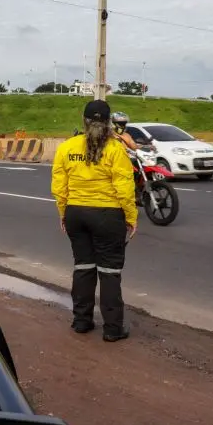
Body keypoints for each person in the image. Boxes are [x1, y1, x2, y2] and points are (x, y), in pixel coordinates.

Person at [51, 100, 138, 342]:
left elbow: (59, 186)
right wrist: (131, 217)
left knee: (83, 267)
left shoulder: (67, 148)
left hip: (76, 213)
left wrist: (63, 213)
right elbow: (124, 187)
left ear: (84, 120)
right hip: (107, 215)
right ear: (109, 122)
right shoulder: (115, 149)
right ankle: (112, 329)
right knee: (109, 271)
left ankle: (81, 321)